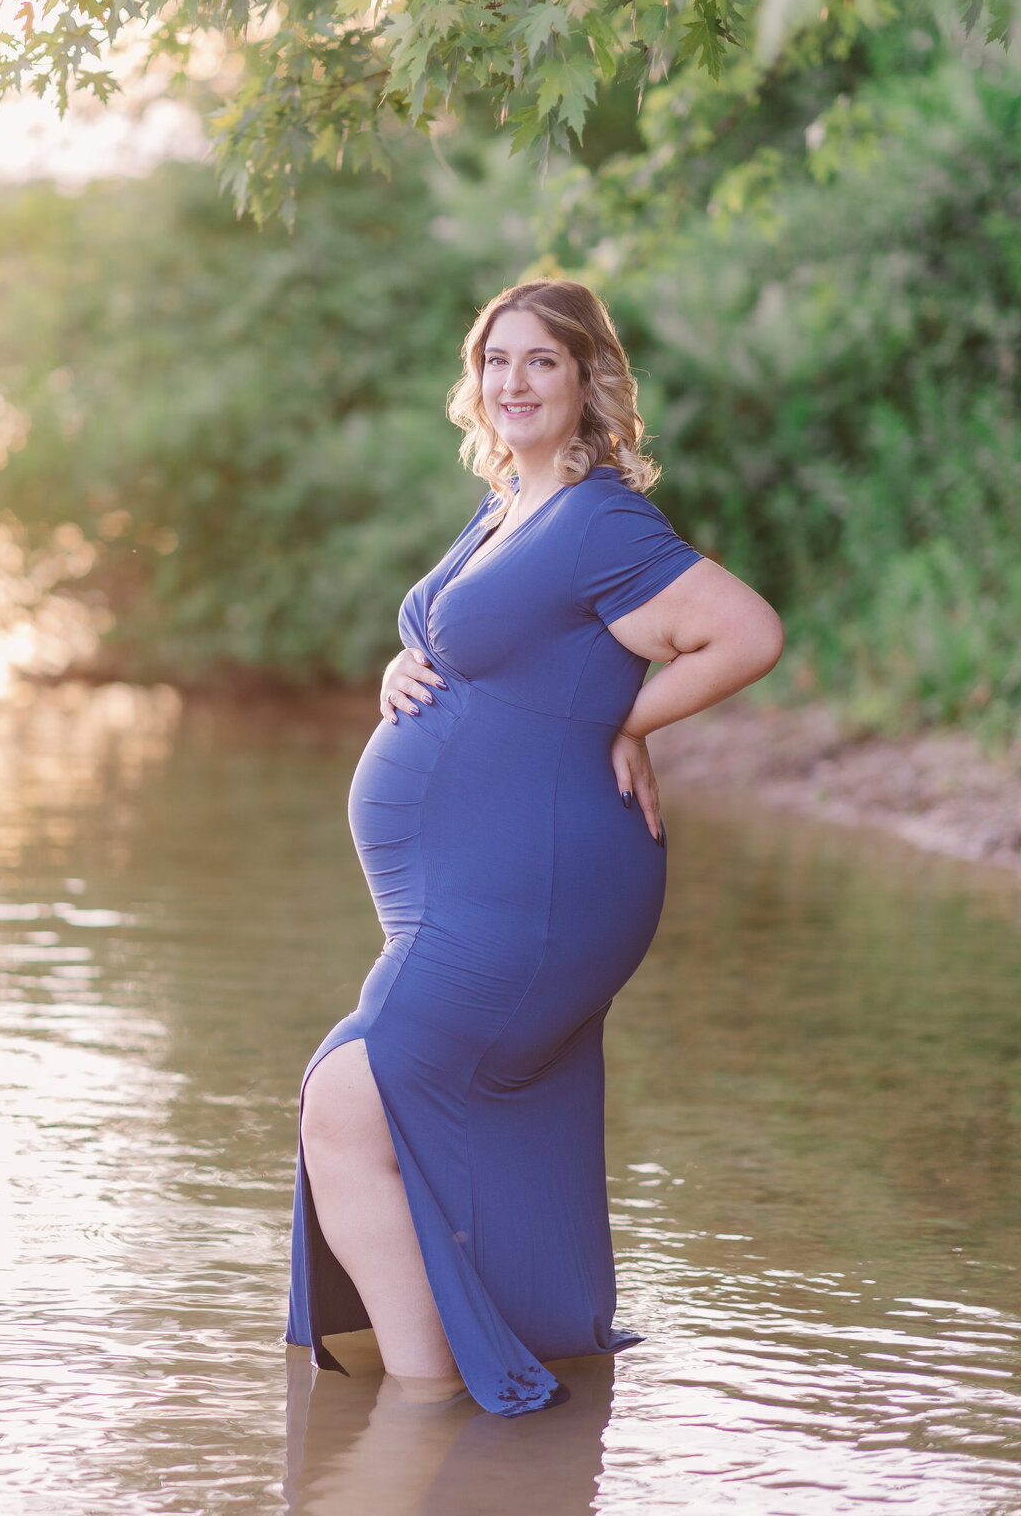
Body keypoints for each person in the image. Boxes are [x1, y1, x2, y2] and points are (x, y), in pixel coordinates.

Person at [285, 279, 783, 1417]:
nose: (511, 382)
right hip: (478, 890)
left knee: (349, 1104)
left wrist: (622, 719)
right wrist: (396, 670)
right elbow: (487, 647)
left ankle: (432, 1412)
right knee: (371, 1096)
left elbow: (745, 632)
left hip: (539, 892)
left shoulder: (603, 519)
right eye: (495, 360)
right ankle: (494, 1376)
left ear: (587, 381)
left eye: (540, 363)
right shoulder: (514, 505)